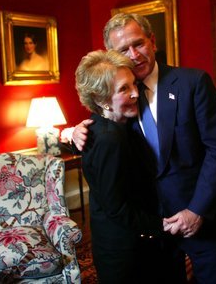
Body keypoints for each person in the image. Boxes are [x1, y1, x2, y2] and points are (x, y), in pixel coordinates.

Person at [70, 13, 216, 283]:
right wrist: (69, 133)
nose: (134, 54)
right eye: (123, 49)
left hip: (201, 221)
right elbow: (102, 134)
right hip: (153, 232)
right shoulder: (120, 99)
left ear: (153, 41)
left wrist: (196, 211)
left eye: (139, 43)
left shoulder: (192, 83)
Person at [74, 49, 166, 283]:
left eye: (134, 84)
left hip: (126, 240)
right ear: (101, 99)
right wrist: (161, 225)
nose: (136, 93)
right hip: (124, 249)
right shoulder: (109, 139)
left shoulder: (107, 126)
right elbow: (116, 207)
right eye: (124, 89)